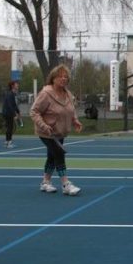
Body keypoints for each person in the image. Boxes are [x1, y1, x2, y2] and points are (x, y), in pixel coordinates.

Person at [30, 64, 84, 195]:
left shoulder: (68, 94)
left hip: (61, 131)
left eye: (66, 77)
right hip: (47, 132)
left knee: (52, 157)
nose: (63, 79)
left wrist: (75, 120)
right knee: (59, 154)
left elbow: (71, 110)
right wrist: (43, 125)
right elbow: (34, 111)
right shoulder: (46, 94)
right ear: (53, 78)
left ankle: (45, 182)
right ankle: (66, 184)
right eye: (60, 76)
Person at [1, 80, 21, 148]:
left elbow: (14, 104)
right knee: (10, 127)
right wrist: (14, 115)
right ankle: (9, 143)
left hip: (8, 112)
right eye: (16, 84)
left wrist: (18, 112)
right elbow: (10, 105)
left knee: (9, 127)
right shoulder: (10, 94)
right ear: (12, 86)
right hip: (7, 113)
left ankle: (7, 141)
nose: (17, 85)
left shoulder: (12, 93)